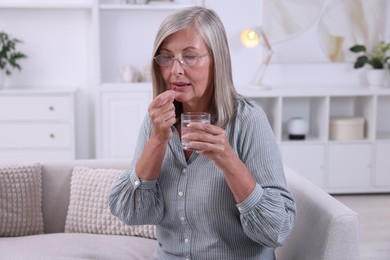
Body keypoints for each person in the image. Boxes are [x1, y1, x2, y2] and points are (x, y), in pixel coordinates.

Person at [109, 6, 296, 260]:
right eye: (166, 57)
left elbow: (277, 231)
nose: (175, 70)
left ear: (216, 59)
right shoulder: (157, 120)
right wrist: (157, 140)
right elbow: (130, 213)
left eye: (190, 56)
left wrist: (228, 160)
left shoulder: (248, 120)